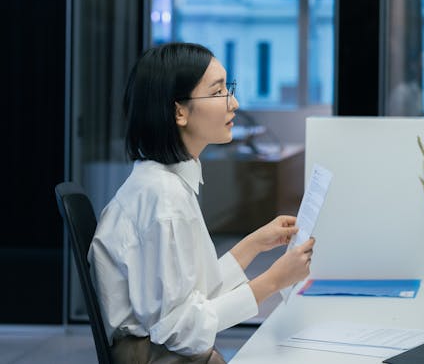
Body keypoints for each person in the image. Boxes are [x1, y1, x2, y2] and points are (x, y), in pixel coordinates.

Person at [89, 43, 316, 363]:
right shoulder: (163, 199)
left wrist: (253, 244)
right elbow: (178, 328)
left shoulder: (162, 183)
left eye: (228, 89)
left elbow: (191, 294)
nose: (233, 103)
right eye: (218, 91)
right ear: (179, 111)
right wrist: (274, 280)